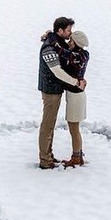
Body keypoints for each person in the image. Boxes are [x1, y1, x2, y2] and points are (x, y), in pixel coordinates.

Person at [38, 17, 86, 169]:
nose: (70, 34)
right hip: (50, 90)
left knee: (50, 125)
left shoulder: (57, 41)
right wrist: (76, 82)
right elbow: (57, 71)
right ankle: (45, 160)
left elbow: (67, 51)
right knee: (48, 125)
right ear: (60, 30)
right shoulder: (49, 48)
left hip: (56, 89)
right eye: (68, 30)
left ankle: (49, 156)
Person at [51, 30, 90, 168]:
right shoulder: (84, 54)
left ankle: (76, 158)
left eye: (71, 40)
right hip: (77, 95)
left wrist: (50, 36)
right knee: (75, 128)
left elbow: (61, 51)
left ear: (77, 43)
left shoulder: (76, 56)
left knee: (74, 129)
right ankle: (78, 155)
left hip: (75, 97)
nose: (69, 42)